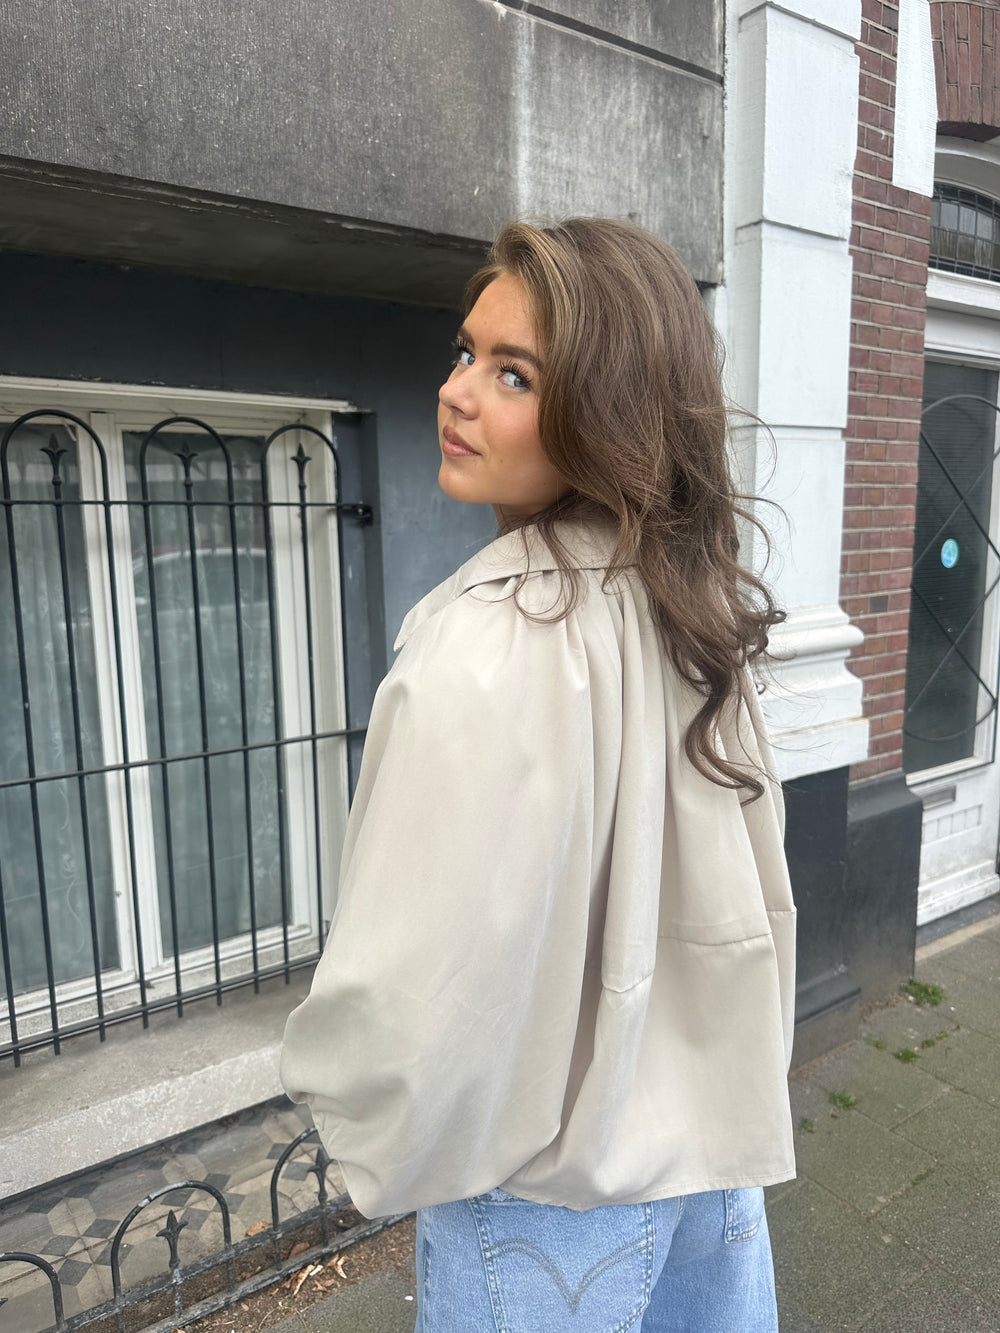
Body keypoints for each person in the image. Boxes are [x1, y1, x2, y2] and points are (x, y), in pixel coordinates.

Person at [280, 218, 796, 1332]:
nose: (456, 392)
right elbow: (752, 890)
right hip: (710, 1148)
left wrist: (353, 1109)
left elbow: (411, 981)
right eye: (466, 352)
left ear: (605, 411)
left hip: (542, 1196)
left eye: (513, 374)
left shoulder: (485, 640)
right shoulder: (691, 606)